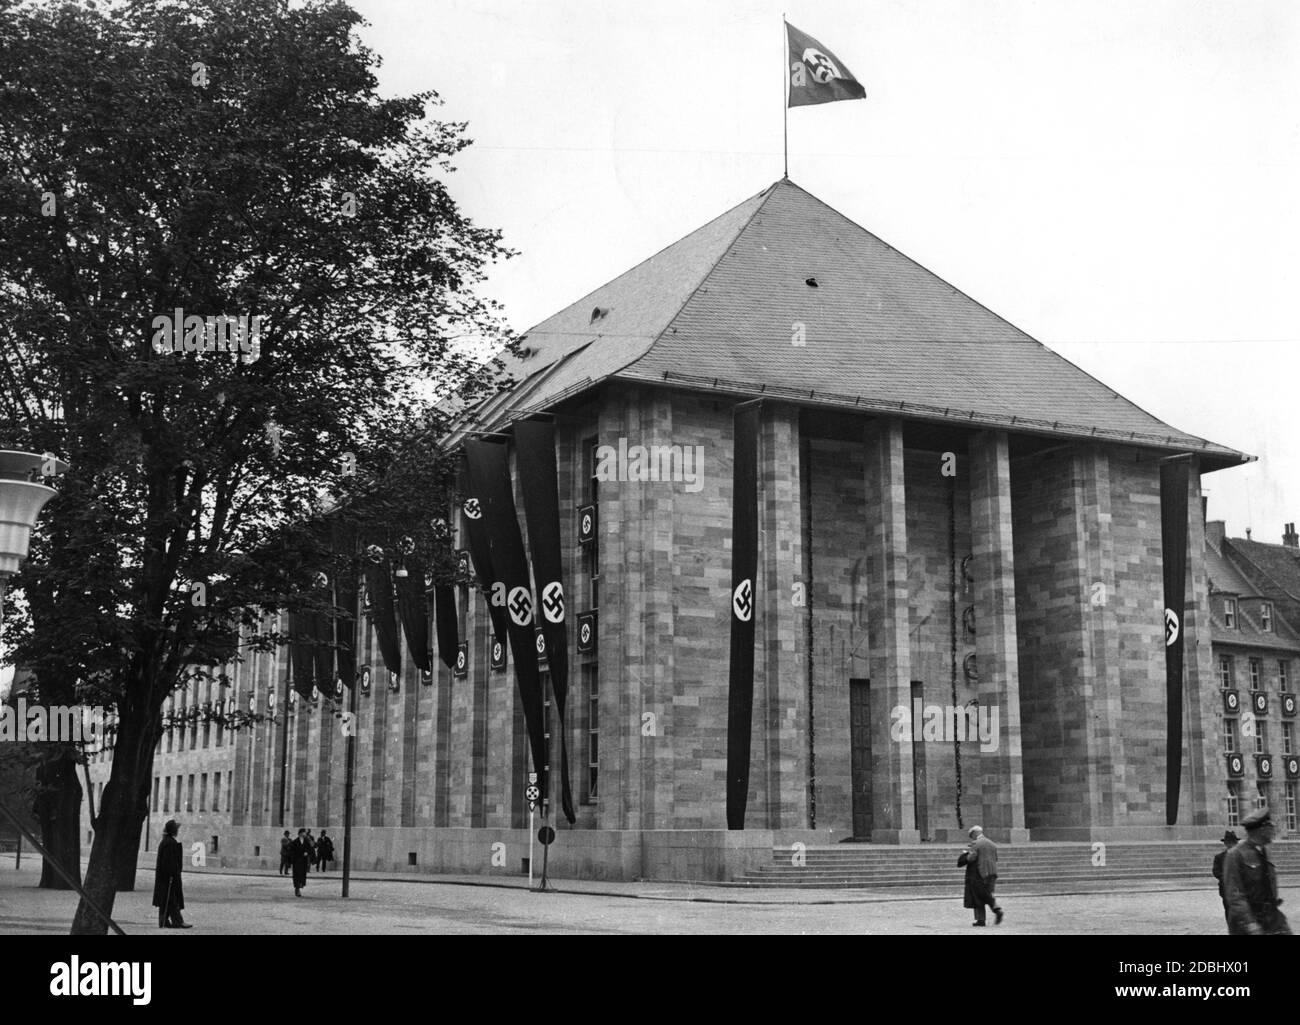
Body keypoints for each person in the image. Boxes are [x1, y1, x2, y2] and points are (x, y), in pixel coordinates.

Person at [1221, 808, 1291, 935]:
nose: (1273, 831)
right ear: (1262, 830)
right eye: (1271, 827)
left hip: (1271, 916)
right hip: (1246, 921)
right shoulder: (1235, 855)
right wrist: (1250, 923)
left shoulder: (1264, 851)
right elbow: (1234, 894)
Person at [958, 825, 1003, 927]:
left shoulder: (976, 843)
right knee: (988, 893)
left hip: (980, 873)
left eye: (971, 836)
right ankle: (990, 913)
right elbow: (995, 858)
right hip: (992, 872)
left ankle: (984, 917)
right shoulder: (992, 843)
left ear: (974, 833)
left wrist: (966, 855)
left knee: (977, 895)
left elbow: (971, 857)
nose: (971, 838)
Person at [152, 819, 191, 928]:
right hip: (169, 877)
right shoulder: (170, 843)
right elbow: (168, 862)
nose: (177, 831)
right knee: (172, 899)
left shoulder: (166, 841)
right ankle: (177, 921)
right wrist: (171, 875)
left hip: (165, 877)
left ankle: (163, 921)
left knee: (166, 900)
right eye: (176, 829)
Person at [1211, 829, 1238, 926]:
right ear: (1225, 844)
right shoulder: (1219, 857)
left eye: (1233, 843)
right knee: (1228, 909)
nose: (1231, 845)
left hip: (1241, 888)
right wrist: (1225, 878)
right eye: (1229, 843)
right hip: (1226, 888)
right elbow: (1216, 871)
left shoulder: (1241, 856)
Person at [289, 828, 312, 897]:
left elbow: (311, 848)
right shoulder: (295, 842)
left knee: (302, 875)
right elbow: (292, 852)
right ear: (300, 833)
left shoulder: (306, 841)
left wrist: (307, 853)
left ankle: (300, 886)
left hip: (303, 861)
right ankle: (297, 889)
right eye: (304, 833)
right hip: (297, 861)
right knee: (297, 875)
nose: (305, 834)